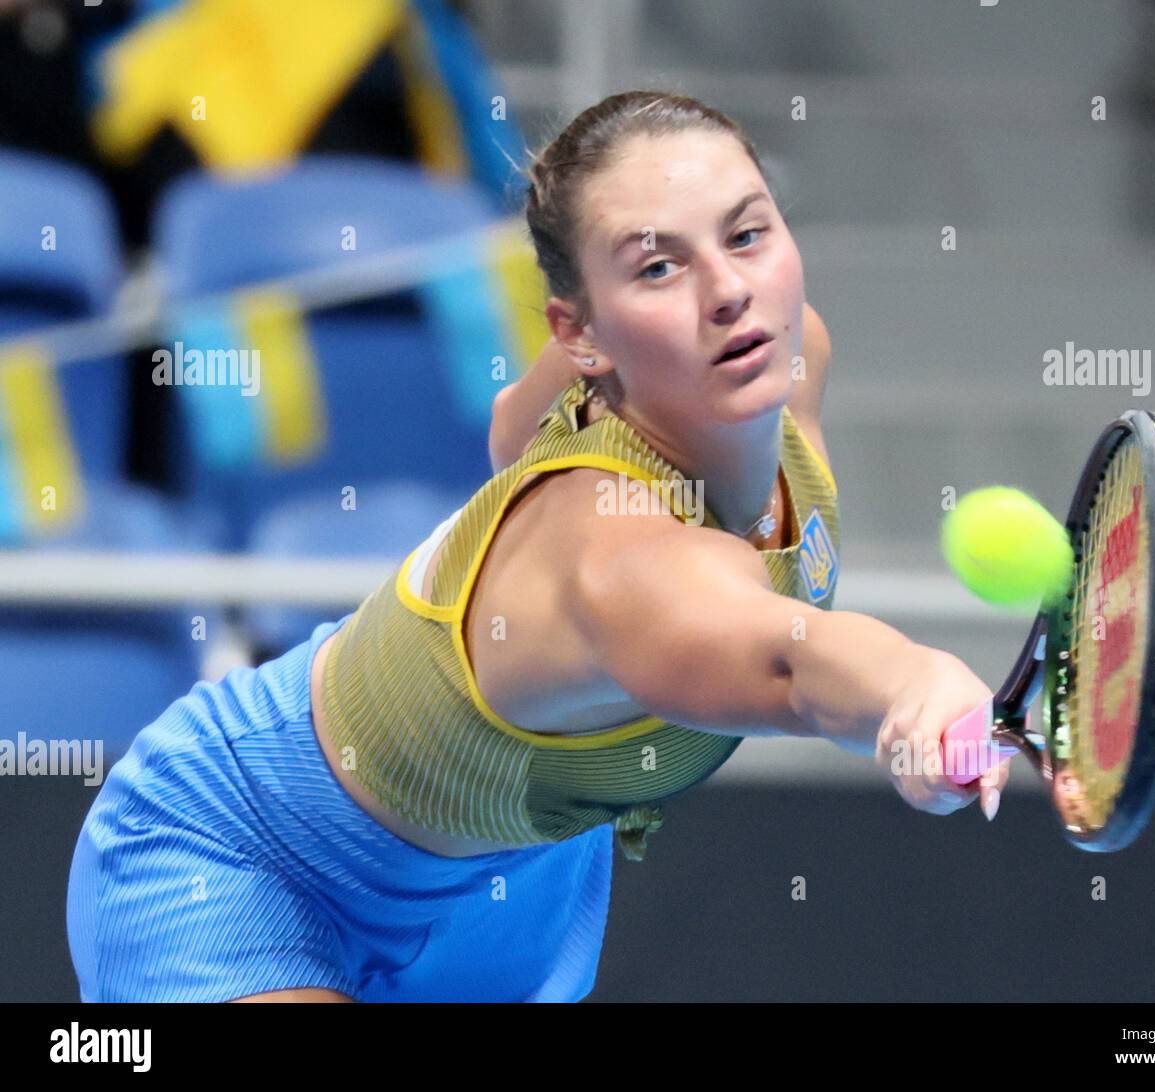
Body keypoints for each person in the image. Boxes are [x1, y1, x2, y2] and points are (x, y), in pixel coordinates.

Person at [65, 90, 1009, 1003]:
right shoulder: (620, 562)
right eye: (657, 267)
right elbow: (795, 666)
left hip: (507, 888)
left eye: (747, 232)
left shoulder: (786, 351)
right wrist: (914, 686)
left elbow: (511, 428)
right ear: (580, 332)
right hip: (247, 850)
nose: (728, 291)